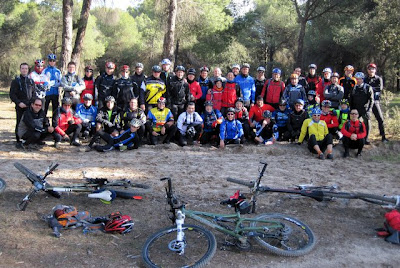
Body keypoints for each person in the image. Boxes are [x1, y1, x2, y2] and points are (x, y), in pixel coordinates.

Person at [9, 62, 36, 148]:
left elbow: (34, 94)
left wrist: (32, 103)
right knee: (19, 123)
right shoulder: (16, 81)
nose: (24, 70)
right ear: (20, 70)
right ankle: (18, 141)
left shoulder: (31, 81)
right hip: (20, 105)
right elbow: (12, 94)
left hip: (29, 106)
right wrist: (19, 103)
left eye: (26, 69)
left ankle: (27, 140)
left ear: (28, 70)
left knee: (29, 123)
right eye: (23, 68)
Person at [364, 63, 389, 142]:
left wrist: (369, 89)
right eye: (369, 69)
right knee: (367, 120)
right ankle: (365, 138)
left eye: (373, 69)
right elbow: (364, 89)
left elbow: (379, 88)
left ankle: (383, 137)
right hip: (367, 102)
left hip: (375, 101)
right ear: (367, 70)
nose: (371, 70)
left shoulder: (378, 79)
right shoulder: (365, 79)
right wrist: (370, 89)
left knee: (380, 119)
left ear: (375, 70)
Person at [349, 72, 374, 145]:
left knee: (367, 123)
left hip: (365, 109)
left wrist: (369, 110)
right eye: (357, 79)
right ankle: (355, 138)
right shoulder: (354, 88)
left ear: (363, 79)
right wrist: (351, 109)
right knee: (354, 124)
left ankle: (366, 139)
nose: (358, 80)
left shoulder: (368, 87)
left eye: (360, 79)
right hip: (356, 109)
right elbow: (351, 99)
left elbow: (372, 100)